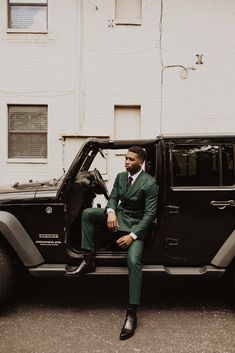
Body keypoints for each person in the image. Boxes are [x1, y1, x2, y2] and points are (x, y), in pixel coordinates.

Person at [66, 146, 158, 340]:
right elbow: (114, 198)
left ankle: (132, 313)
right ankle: (88, 258)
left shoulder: (150, 183)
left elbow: (150, 215)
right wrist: (110, 212)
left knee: (134, 262)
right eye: (126, 158)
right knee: (88, 214)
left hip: (136, 227)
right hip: (120, 218)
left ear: (140, 163)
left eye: (131, 159)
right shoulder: (120, 177)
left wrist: (132, 236)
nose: (126, 162)